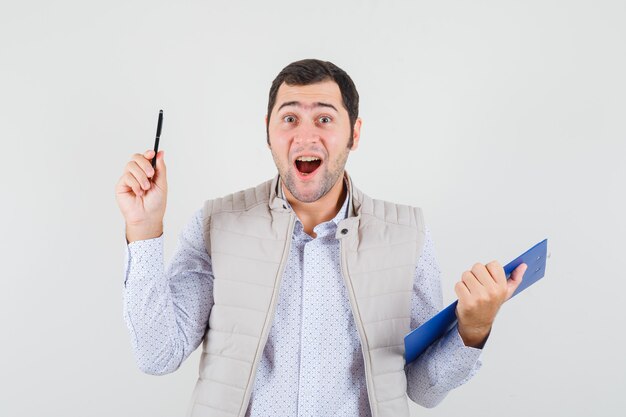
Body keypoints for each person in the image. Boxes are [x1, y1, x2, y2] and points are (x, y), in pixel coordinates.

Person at [115, 59, 527, 417]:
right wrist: (144, 227)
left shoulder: (407, 233)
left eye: (325, 118)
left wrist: (473, 329)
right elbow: (157, 355)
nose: (306, 135)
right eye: (290, 118)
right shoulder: (215, 223)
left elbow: (422, 389)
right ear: (268, 131)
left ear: (355, 133)